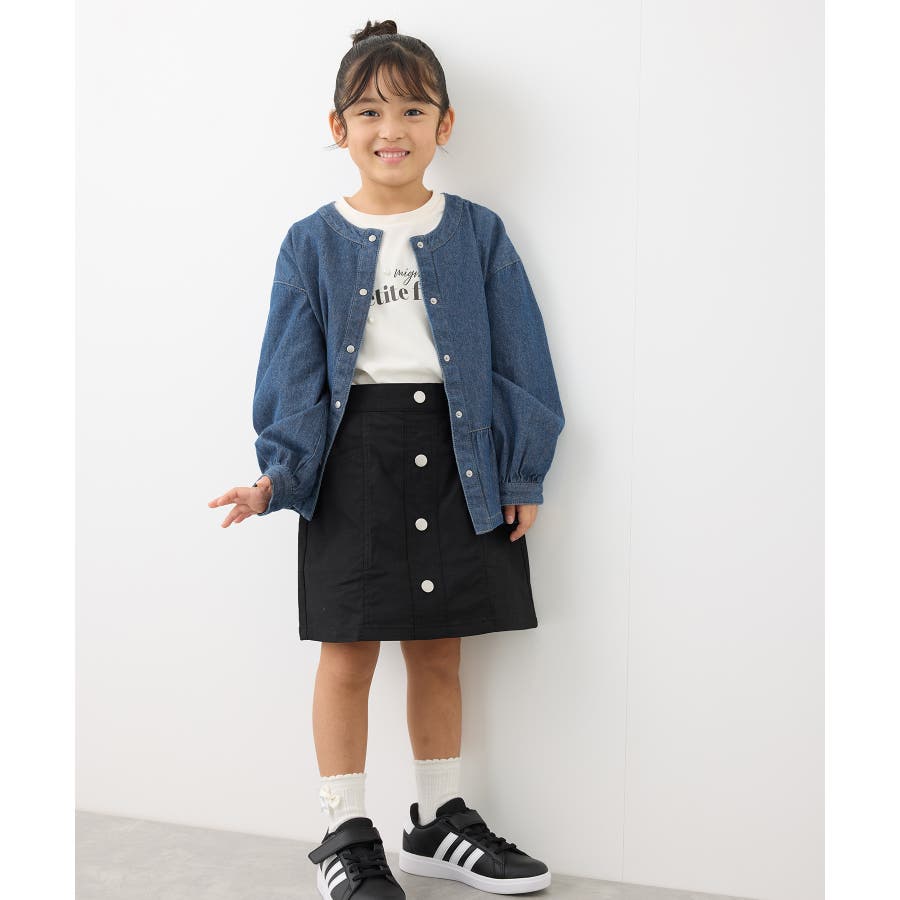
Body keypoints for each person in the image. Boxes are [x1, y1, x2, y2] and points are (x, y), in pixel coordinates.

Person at [208, 19, 564, 900]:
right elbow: (290, 369)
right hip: (353, 459)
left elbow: (520, 358)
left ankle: (438, 822)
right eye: (369, 111)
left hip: (458, 456)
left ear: (445, 124)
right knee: (347, 653)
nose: (391, 129)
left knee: (439, 650)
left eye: (412, 109)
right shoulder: (312, 242)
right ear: (338, 128)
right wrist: (277, 477)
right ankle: (343, 831)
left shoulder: (477, 233)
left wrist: (522, 470)